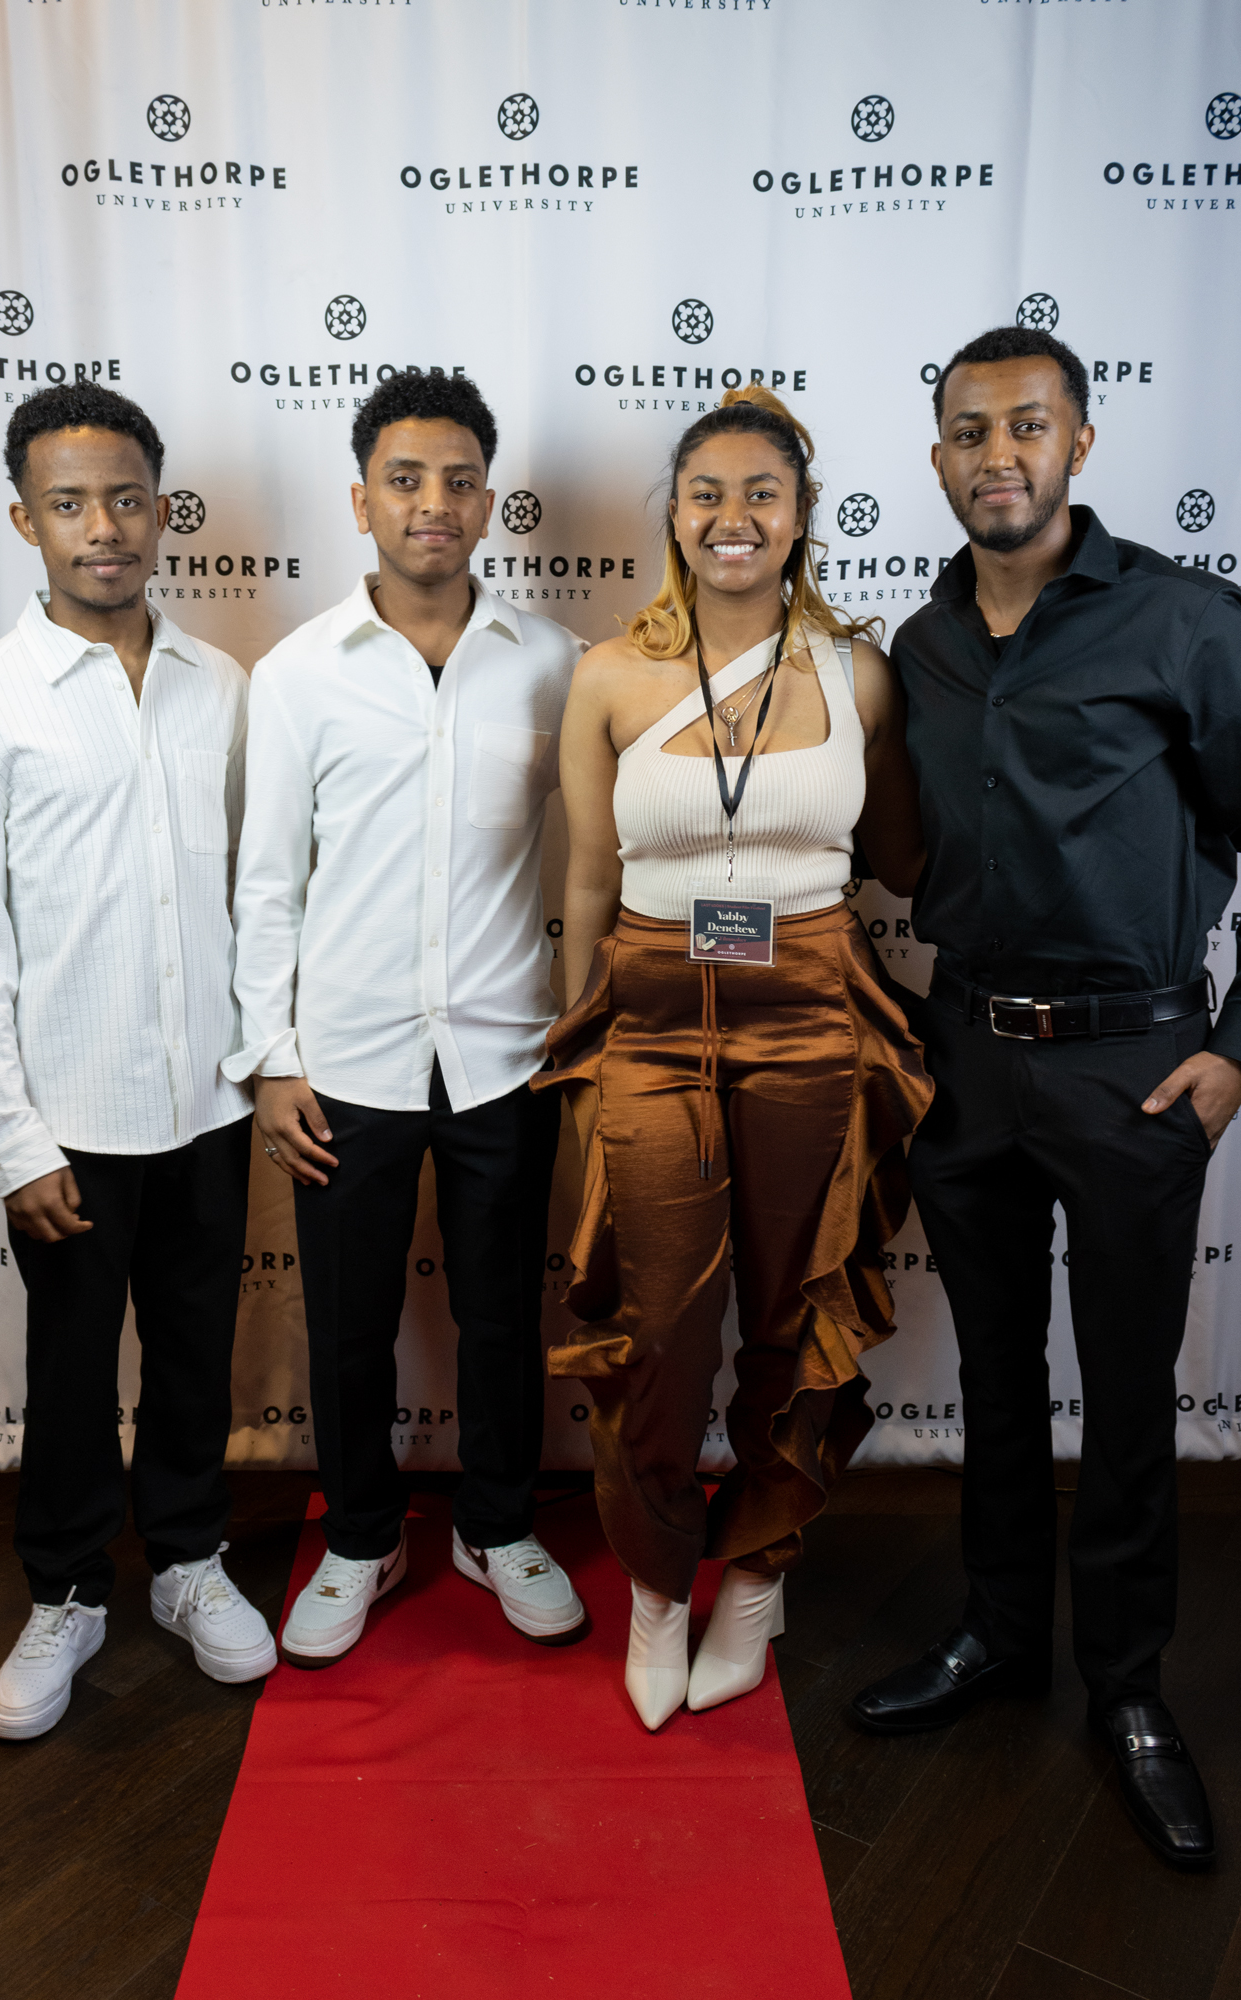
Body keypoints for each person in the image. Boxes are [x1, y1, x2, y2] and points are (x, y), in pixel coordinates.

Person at [850, 325, 1241, 1871]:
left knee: (1129, 1391)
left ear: (1078, 442)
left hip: (1134, 1065)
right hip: (966, 1054)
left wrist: (1235, 1048)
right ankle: (1000, 1633)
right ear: (935, 457)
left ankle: (1127, 1688)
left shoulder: (1185, 622)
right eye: (967, 431)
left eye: (1025, 425)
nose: (994, 454)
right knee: (994, 1375)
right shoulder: (917, 644)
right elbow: (892, 848)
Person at [542, 384, 933, 1731]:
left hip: (811, 1009)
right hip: (651, 1019)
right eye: (706, 492)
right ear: (674, 515)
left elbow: (905, 857)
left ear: (801, 515)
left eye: (762, 493)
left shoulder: (859, 673)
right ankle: (659, 1585)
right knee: (656, 1329)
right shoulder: (606, 674)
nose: (733, 516)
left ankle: (756, 1578)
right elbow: (587, 877)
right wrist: (576, 1045)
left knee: (792, 1310)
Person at [0, 384, 276, 1742]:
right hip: (66, 1120)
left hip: (209, 1104)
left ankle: (187, 1559)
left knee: (194, 1352)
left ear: (162, 511)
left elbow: (253, 898)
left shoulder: (220, 687)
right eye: (69, 504)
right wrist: (15, 1143)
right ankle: (65, 1589)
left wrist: (262, 1064)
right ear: (27, 522)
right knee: (72, 1371)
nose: (103, 527)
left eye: (125, 499)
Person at [225, 371, 586, 1664]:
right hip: (346, 1061)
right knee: (348, 1323)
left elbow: (601, 857)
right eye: (404, 479)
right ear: (361, 499)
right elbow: (267, 881)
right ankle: (363, 1538)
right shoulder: (298, 674)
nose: (432, 503)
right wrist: (273, 1058)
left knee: (501, 1316)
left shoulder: (555, 664)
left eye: (457, 480)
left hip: (506, 1052)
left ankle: (498, 1526)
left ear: (489, 502)